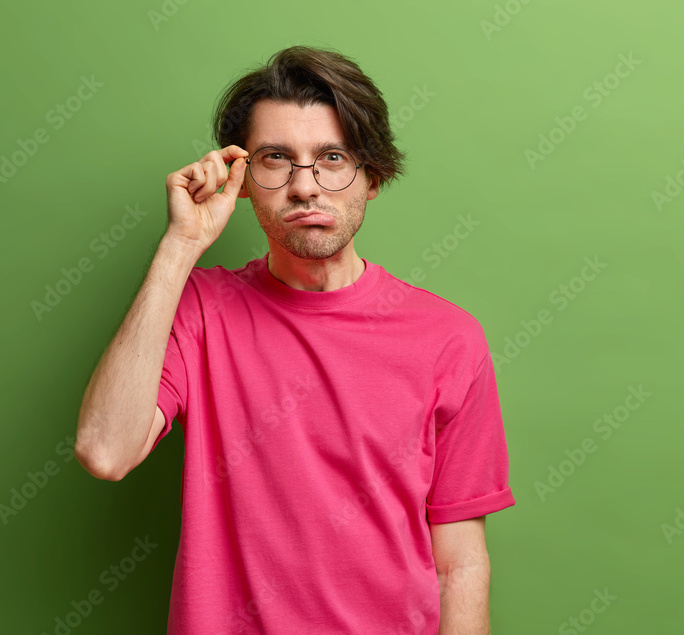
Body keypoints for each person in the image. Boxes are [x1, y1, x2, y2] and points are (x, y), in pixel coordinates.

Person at [74, 45, 515, 634]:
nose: (306, 187)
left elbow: (459, 565)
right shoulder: (200, 309)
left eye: (332, 158)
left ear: (373, 175)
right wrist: (180, 246)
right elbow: (106, 450)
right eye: (276, 159)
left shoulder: (449, 339)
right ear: (245, 180)